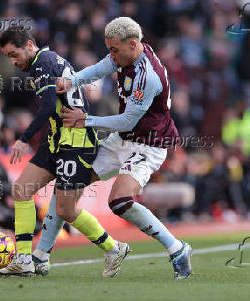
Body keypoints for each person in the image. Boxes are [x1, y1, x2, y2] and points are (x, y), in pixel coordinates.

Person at [33, 17, 193, 279]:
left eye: (114, 49)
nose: (111, 55)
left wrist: (86, 121)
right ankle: (40, 256)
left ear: (132, 44)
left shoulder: (147, 76)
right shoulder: (126, 56)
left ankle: (177, 249)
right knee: (68, 182)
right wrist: (72, 81)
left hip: (148, 145)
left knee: (118, 201)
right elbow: (98, 68)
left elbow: (128, 119)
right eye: (109, 48)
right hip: (122, 139)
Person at [0, 27, 130, 277]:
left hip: (75, 143)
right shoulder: (47, 61)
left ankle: (114, 247)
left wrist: (23, 138)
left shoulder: (43, 63)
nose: (12, 61)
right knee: (21, 189)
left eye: (14, 54)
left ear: (29, 45)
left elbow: (46, 106)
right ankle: (24, 259)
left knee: (66, 209)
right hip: (56, 139)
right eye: (8, 57)